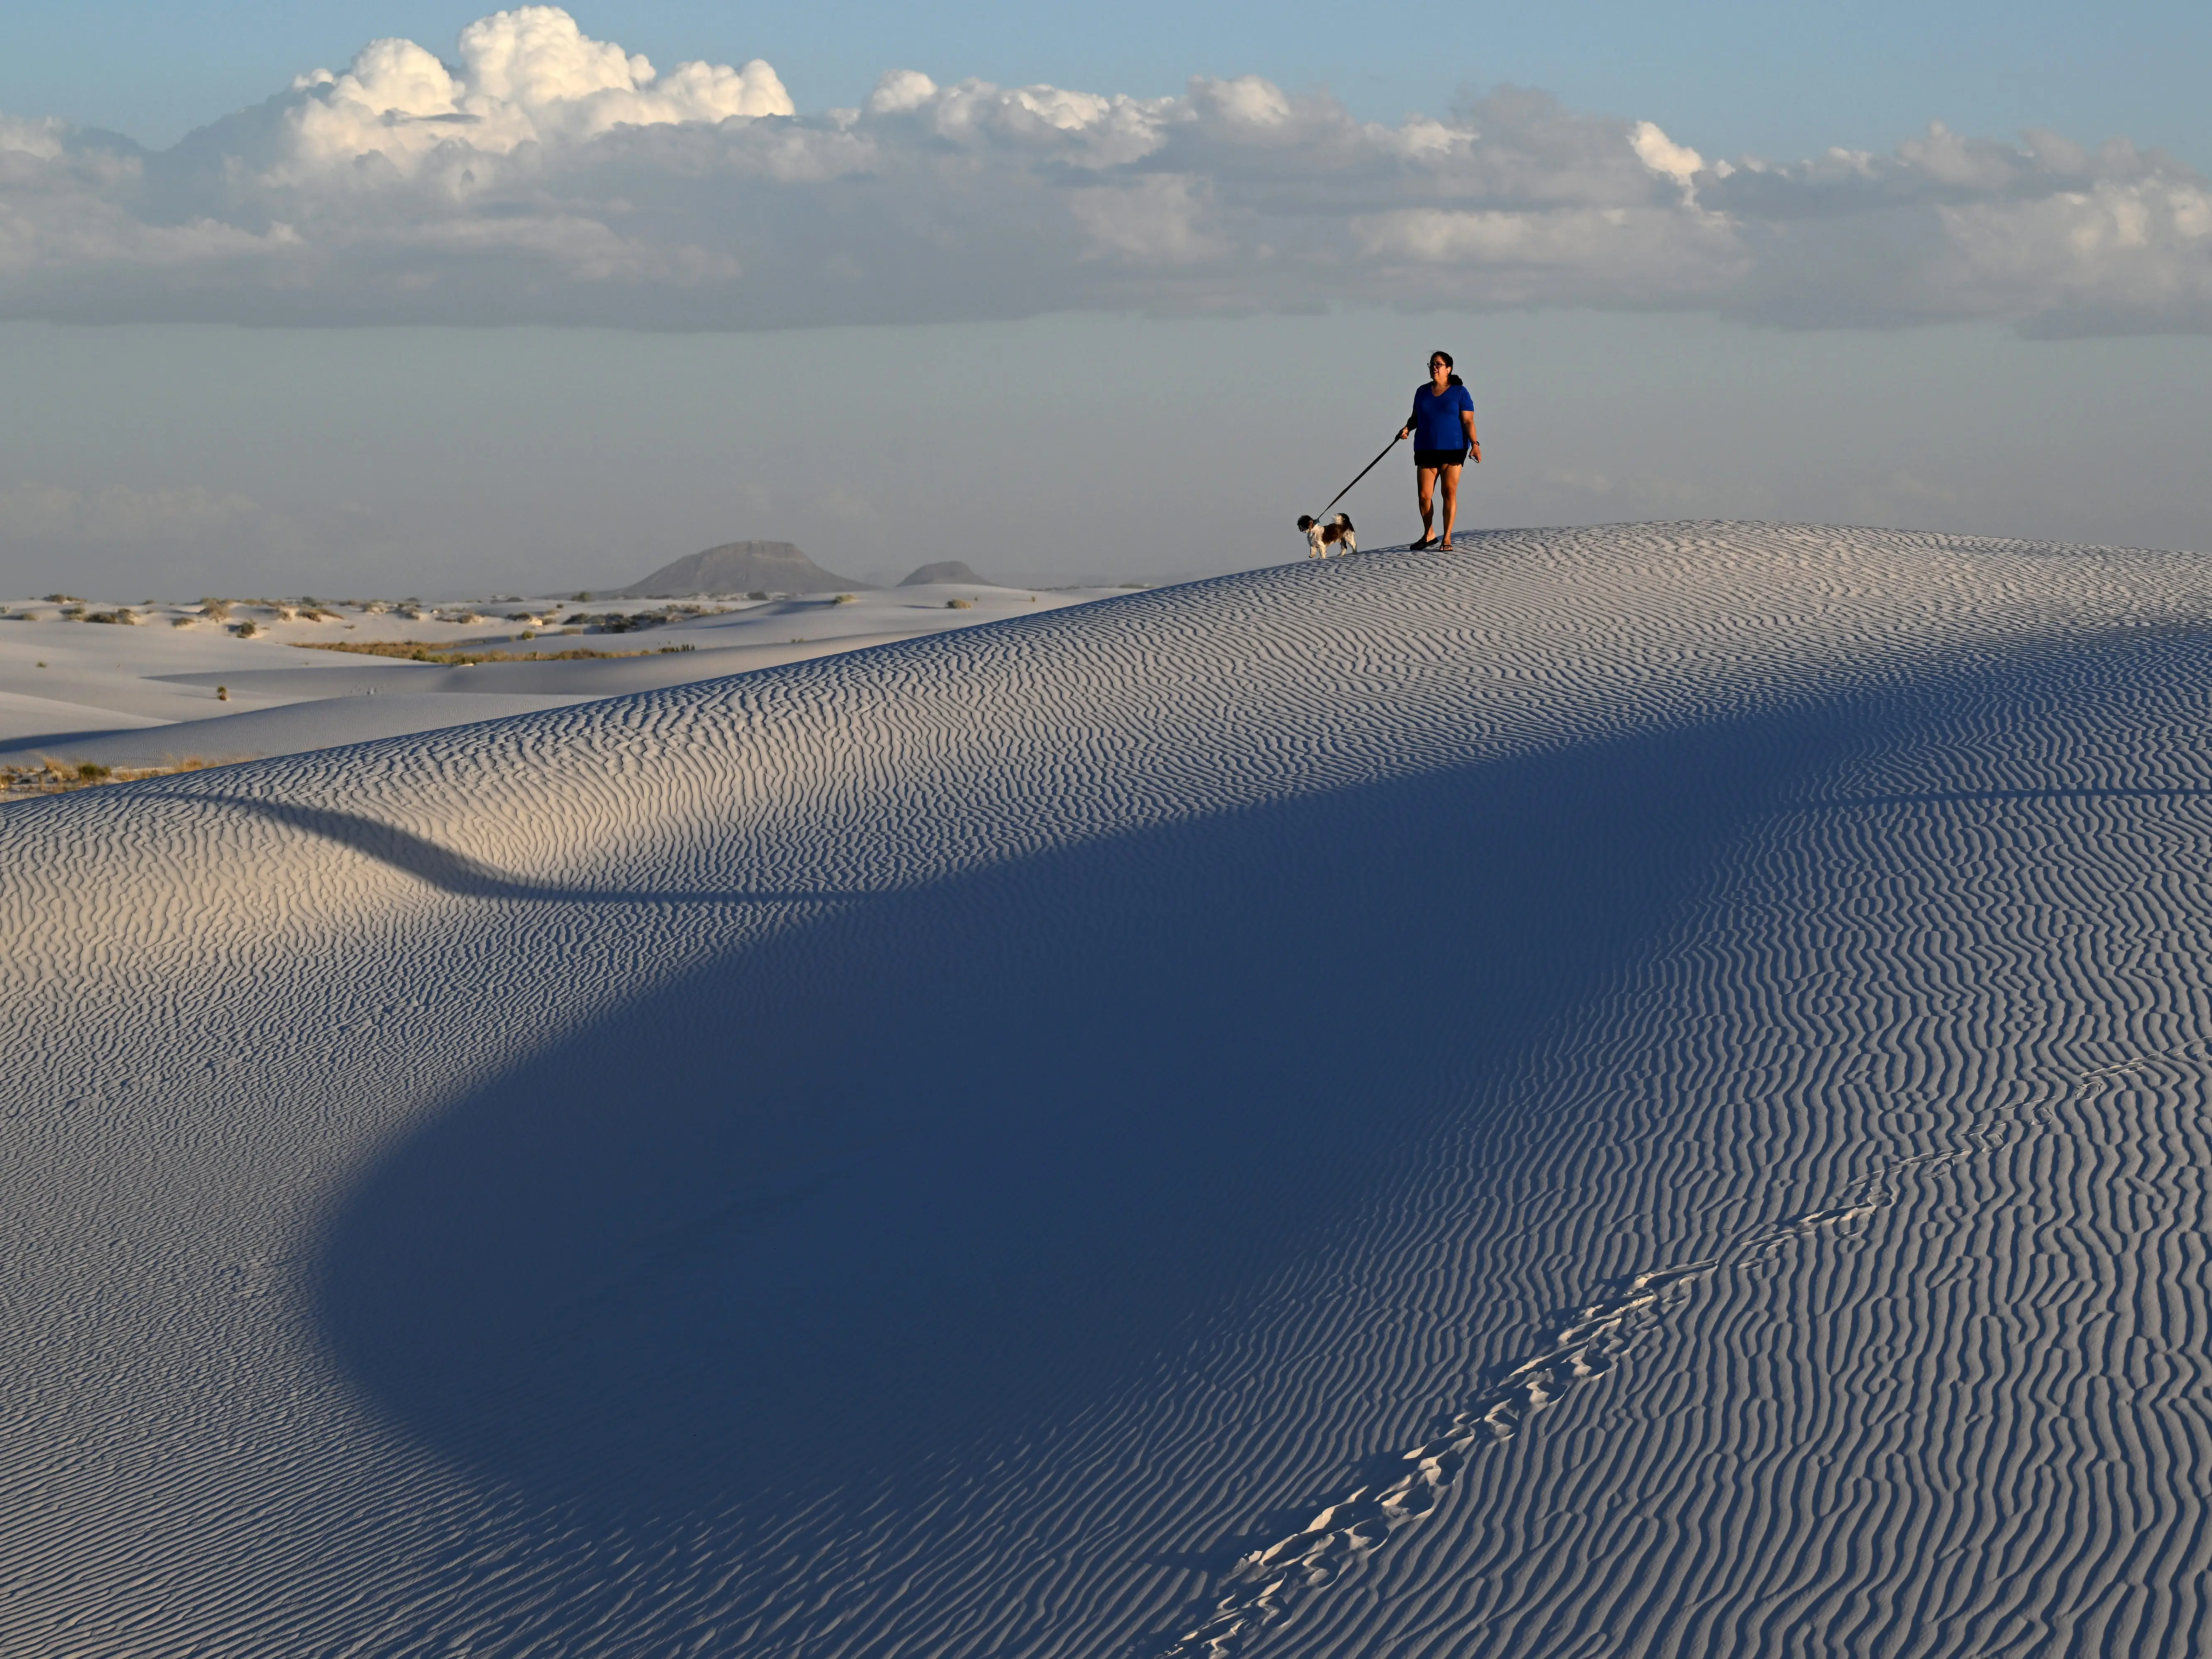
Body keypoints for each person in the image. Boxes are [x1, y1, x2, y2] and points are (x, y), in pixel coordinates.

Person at [1397, 351, 1480, 551]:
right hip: (1426, 447)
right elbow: (1415, 417)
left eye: (1439, 364)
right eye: (1432, 364)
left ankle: (1447, 538)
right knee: (1425, 496)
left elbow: (1468, 421)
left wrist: (1475, 445)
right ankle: (1430, 534)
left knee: (1448, 493)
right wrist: (1407, 428)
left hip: (1454, 448)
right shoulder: (1422, 392)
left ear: (1448, 369)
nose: (1434, 367)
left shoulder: (1460, 392)